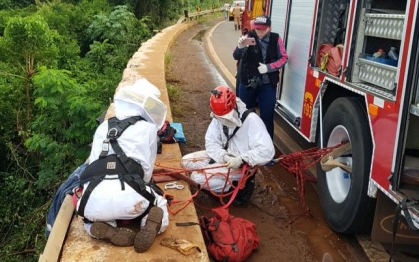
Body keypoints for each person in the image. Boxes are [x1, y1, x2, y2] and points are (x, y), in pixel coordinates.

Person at [75, 81, 170, 253]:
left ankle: (105, 228)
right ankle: (147, 223)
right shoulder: (149, 128)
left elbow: (92, 163)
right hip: (131, 199)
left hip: (94, 198)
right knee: (159, 204)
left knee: (89, 220)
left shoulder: (103, 127)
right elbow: (146, 176)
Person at [181, 86, 275, 207]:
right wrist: (224, 156)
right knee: (186, 162)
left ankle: (235, 187)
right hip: (225, 156)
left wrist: (241, 159)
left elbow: (267, 151)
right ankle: (219, 179)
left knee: (196, 178)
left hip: (242, 164)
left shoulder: (252, 121)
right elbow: (211, 142)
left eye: (224, 117)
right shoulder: (218, 115)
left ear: (233, 107)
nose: (222, 121)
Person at [233, 15, 288, 139]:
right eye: (258, 29)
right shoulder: (248, 37)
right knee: (245, 114)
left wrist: (268, 67)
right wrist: (240, 47)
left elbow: (284, 58)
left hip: (268, 85)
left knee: (267, 117)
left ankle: (267, 148)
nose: (260, 32)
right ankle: (244, 143)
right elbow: (235, 55)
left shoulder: (276, 39)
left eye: (263, 29)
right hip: (248, 83)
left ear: (269, 28)